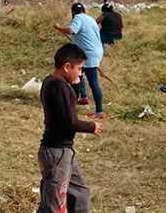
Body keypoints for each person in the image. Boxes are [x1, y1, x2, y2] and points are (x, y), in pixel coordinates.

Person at [37, 43, 104, 213]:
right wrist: (92, 126)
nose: (81, 74)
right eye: (80, 69)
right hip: (56, 152)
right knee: (54, 204)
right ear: (67, 67)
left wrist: (74, 83)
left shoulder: (52, 82)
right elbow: (70, 121)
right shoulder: (58, 85)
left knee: (81, 193)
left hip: (64, 151)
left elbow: (67, 105)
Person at [54, 3, 106, 118]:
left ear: (73, 12)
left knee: (89, 81)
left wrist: (58, 28)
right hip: (96, 52)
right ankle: (83, 97)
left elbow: (71, 31)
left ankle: (99, 111)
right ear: (84, 10)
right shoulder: (91, 19)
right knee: (79, 75)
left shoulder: (78, 18)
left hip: (88, 54)